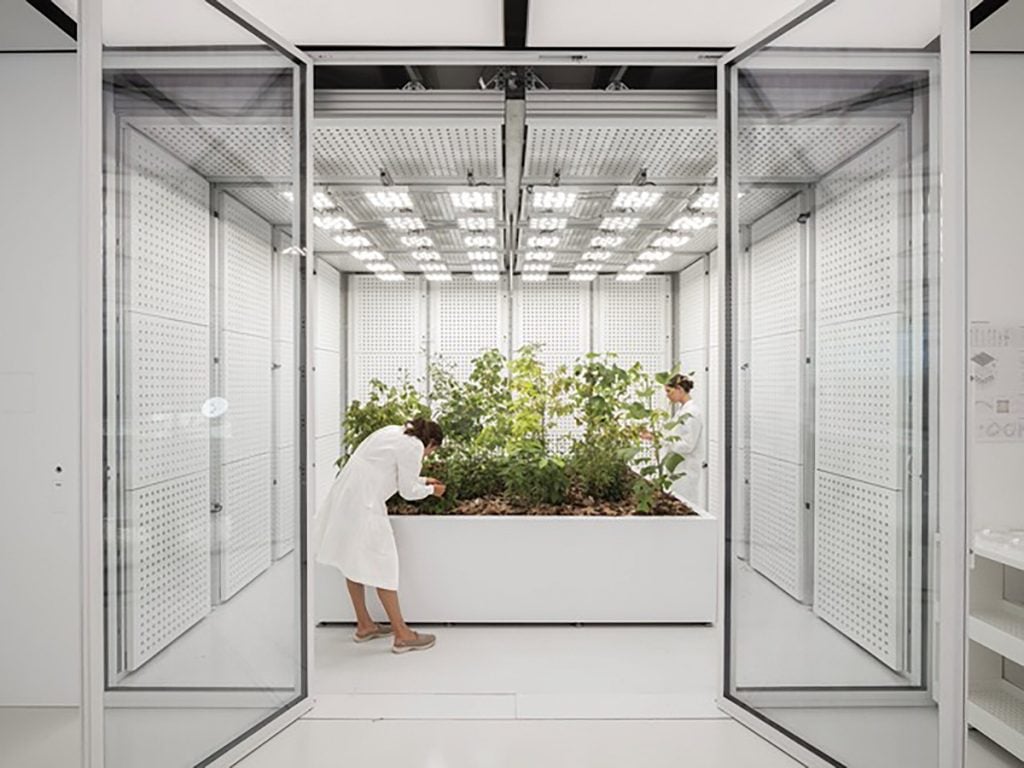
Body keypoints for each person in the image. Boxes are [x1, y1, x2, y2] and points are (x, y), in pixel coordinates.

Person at [314, 418, 446, 654]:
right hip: (365, 505)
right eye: (432, 452)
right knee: (384, 566)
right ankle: (402, 635)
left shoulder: (393, 432)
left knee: (351, 561)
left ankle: (365, 625)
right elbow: (407, 491)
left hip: (346, 498)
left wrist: (423, 479)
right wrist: (431, 490)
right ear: (431, 443)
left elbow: (386, 470)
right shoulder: (414, 446)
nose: (427, 456)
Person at [659, 373, 706, 508]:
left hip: (685, 472)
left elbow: (687, 445)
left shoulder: (692, 413)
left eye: (669, 391)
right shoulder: (682, 411)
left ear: (679, 389)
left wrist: (663, 440)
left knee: (685, 506)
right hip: (676, 471)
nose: (667, 395)